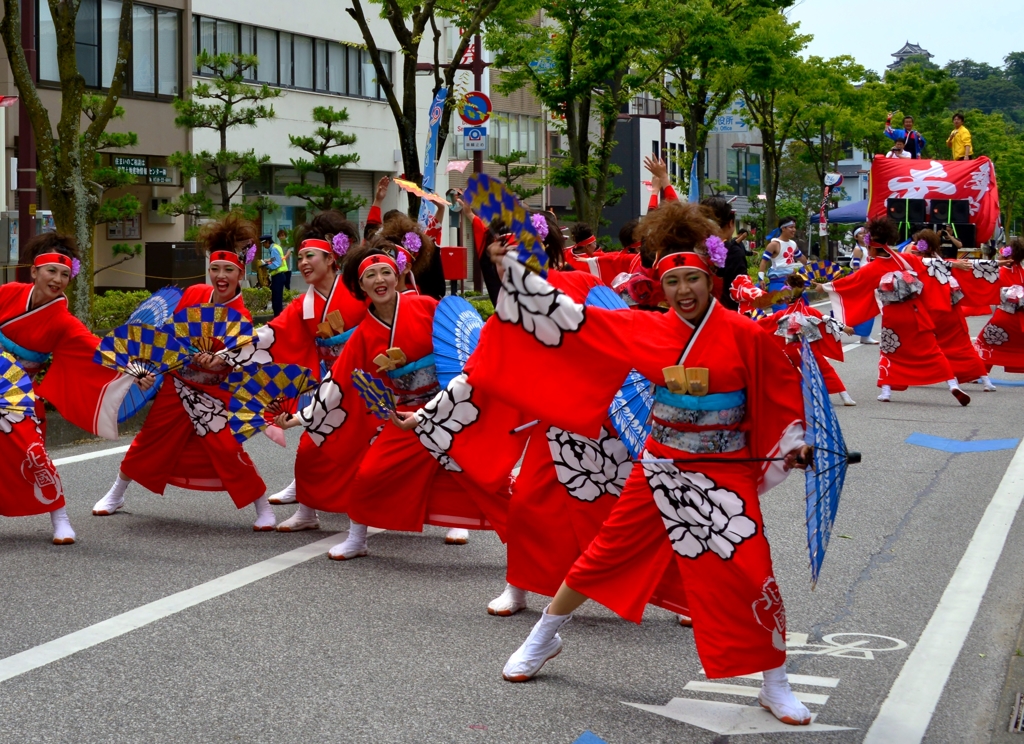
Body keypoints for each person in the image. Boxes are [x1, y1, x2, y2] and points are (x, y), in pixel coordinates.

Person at [431, 200, 815, 725]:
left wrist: (795, 443)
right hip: (661, 462)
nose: (683, 290)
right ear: (661, 286)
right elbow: (575, 324)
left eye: (692, 279)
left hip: (724, 467)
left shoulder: (745, 335)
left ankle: (774, 682)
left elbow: (779, 396)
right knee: (602, 553)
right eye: (673, 280)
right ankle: (544, 636)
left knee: (751, 572)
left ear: (711, 281)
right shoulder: (647, 328)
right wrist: (516, 277)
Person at [275, 241, 510, 558]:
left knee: (484, 477)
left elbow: (465, 351)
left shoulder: (426, 307)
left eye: (386, 271)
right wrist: (300, 418)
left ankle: (528, 537)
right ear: (361, 286)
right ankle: (357, 539)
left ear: (397, 275)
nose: (379, 280)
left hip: (448, 408)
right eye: (370, 275)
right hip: (403, 415)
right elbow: (337, 382)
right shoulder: (363, 333)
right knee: (369, 474)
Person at [93, 214, 276, 530]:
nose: (221, 276)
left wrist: (220, 363)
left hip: (214, 392)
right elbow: (167, 342)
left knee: (227, 448)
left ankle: (263, 507)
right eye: (215, 269)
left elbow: (241, 362)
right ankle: (116, 493)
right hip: (177, 383)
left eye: (229, 270)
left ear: (240, 273)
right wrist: (152, 371)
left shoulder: (241, 315)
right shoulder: (193, 296)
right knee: (149, 440)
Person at [0, 232, 139, 544]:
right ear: (34, 271)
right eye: (51, 271)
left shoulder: (62, 321)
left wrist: (133, 369)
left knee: (33, 456)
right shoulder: (7, 293)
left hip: (19, 399)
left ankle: (59, 516)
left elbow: (96, 348)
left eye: (65, 275)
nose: (58, 279)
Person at [232, 212, 368, 513]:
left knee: (380, 447)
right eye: (301, 256)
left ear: (332, 259)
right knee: (314, 442)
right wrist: (235, 342)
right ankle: (307, 507)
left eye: (310, 256)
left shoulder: (359, 290)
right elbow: (272, 333)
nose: (303, 263)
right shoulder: (302, 305)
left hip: (364, 379)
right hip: (329, 381)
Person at [815, 217, 970, 405]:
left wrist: (825, 287)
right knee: (933, 350)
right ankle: (953, 385)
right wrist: (954, 264)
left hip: (894, 315)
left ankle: (886, 391)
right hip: (916, 312)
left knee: (890, 351)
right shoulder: (907, 259)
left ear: (872, 247)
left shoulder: (873, 268)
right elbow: (930, 263)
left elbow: (850, 283)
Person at [911, 229, 994, 390]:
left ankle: (916, 376)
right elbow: (977, 265)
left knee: (921, 346)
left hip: (929, 311)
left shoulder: (919, 262)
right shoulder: (945, 261)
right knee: (963, 347)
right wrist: (996, 264)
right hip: (951, 310)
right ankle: (986, 381)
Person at [758, 274, 857, 405]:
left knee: (788, 372)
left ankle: (784, 396)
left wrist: (744, 325)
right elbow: (827, 319)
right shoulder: (809, 311)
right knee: (826, 370)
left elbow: (762, 325)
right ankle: (845, 396)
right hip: (811, 349)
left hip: (792, 350)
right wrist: (845, 328)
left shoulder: (782, 314)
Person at [967, 238, 1024, 374]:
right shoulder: (1021, 271)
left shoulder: (998, 272)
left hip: (1004, 316)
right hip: (1020, 319)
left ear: (1007, 254)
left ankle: (979, 371)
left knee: (983, 343)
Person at [702, 196, 746, 311]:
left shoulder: (695, 247)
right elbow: (741, 290)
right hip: (725, 315)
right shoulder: (734, 252)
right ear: (731, 223)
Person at [758, 218, 807, 306]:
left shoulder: (793, 244)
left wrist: (811, 268)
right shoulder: (773, 244)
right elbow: (764, 262)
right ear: (783, 228)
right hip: (778, 281)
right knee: (780, 312)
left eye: (794, 227)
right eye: (791, 227)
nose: (794, 230)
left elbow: (802, 258)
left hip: (792, 281)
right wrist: (761, 279)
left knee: (799, 309)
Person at [849, 226, 879, 344]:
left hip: (870, 280)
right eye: (861, 234)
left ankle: (865, 335)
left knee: (869, 308)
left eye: (866, 233)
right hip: (862, 281)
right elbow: (856, 268)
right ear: (856, 237)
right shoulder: (858, 249)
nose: (864, 235)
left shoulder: (870, 248)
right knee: (866, 307)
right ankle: (864, 335)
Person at [262, 234, 291, 317]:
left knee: (276, 301)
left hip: (278, 276)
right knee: (276, 300)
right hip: (280, 276)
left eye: (264, 244)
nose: (263, 246)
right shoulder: (276, 247)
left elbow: (277, 264)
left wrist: (265, 265)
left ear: (267, 242)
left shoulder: (274, 249)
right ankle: (278, 318)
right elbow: (275, 259)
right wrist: (268, 261)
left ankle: (278, 319)